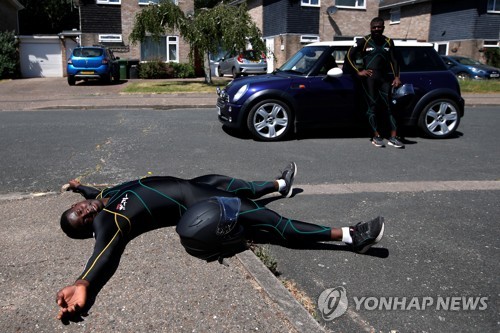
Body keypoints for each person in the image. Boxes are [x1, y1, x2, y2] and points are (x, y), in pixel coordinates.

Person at [56, 162, 385, 322]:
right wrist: (86, 283)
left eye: (78, 209)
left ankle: (279, 184)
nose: (84, 210)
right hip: (203, 210)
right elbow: (106, 253)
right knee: (271, 223)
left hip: (195, 188)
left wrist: (79, 187)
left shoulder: (101, 197)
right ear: (90, 227)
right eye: (83, 219)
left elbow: (88, 194)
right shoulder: (110, 220)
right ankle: (351, 236)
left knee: (224, 181)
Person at [346, 17, 404, 148]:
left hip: (385, 79)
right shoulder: (364, 41)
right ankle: (376, 135)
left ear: (383, 27)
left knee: (390, 107)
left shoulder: (389, 42)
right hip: (370, 79)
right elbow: (349, 55)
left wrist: (396, 77)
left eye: (379, 27)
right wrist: (358, 71)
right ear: (370, 28)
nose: (377, 29)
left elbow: (395, 60)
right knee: (372, 106)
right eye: (374, 27)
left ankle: (393, 137)